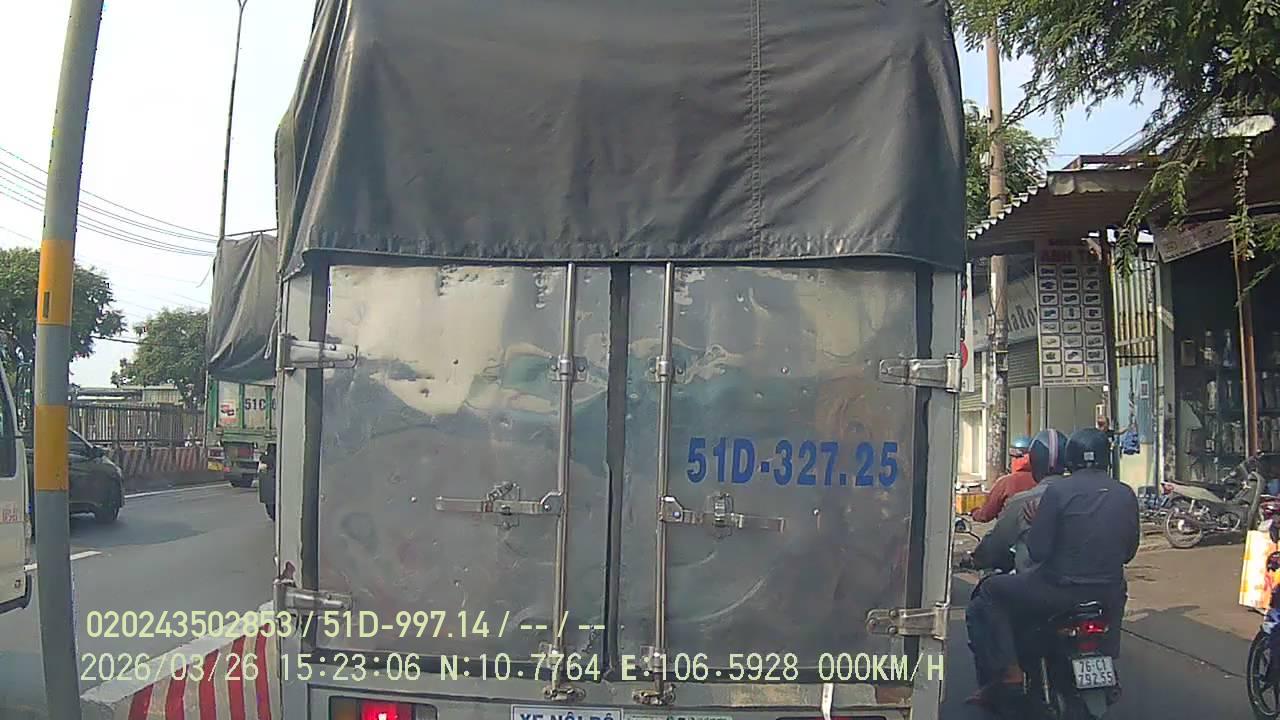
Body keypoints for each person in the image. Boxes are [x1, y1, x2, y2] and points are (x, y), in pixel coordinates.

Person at [976, 427, 1139, 718]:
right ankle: (1108, 658)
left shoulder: (1057, 493)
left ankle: (1011, 670)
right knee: (1117, 594)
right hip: (1108, 594)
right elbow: (1128, 552)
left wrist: (1039, 522)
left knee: (990, 591)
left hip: (1058, 592)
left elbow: (1038, 551)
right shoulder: (1125, 493)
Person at [960, 428, 1068, 707]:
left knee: (985, 598)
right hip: (1091, 588)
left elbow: (995, 543)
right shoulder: (1085, 497)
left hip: (1041, 586)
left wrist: (976, 558)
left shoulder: (1021, 497)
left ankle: (1008, 672)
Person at [970, 435, 1035, 523]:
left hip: (1010, 529)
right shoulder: (1044, 480)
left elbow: (985, 515)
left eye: (1013, 457)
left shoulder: (1006, 482)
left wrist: (974, 512)